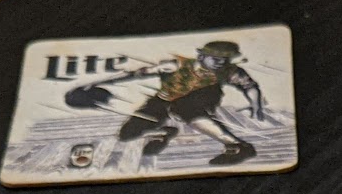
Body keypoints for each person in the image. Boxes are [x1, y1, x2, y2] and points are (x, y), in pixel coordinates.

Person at [64, 40, 267, 168]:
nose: (220, 62)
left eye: (224, 59)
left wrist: (256, 105)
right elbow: (133, 74)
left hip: (201, 98)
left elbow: (250, 86)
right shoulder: (175, 65)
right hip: (163, 98)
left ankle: (237, 146)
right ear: (202, 55)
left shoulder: (230, 71)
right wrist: (97, 82)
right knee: (127, 133)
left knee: (184, 108)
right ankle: (161, 133)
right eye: (215, 58)